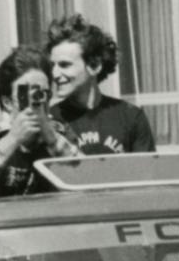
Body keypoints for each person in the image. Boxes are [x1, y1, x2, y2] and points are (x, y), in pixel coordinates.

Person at [0, 45, 78, 201]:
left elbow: (87, 179)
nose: (40, 100)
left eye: (45, 93)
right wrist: (12, 139)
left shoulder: (61, 132)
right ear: (8, 102)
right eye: (30, 93)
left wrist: (51, 137)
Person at [45, 13, 155, 155]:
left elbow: (147, 174)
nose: (55, 74)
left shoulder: (131, 117)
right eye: (52, 66)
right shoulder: (51, 120)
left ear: (95, 65)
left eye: (64, 65)